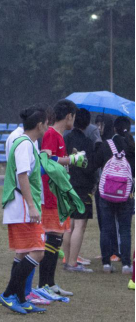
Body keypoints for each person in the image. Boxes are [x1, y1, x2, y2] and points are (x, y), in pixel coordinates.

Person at [0, 105, 50, 315]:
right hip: (22, 207)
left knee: (22, 253)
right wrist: (31, 206)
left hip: (21, 206)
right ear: (39, 125)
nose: (47, 127)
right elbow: (22, 175)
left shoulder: (27, 143)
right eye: (46, 123)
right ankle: (8, 294)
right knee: (38, 251)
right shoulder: (24, 144)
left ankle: (19, 298)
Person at [35, 99, 87, 301]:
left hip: (59, 196)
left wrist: (71, 160)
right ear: (69, 116)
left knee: (56, 241)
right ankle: (43, 285)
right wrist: (72, 160)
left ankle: (51, 284)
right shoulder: (51, 134)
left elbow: (58, 163)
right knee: (52, 239)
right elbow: (47, 161)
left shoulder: (59, 136)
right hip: (51, 196)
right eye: (74, 116)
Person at [94, 116, 135, 275]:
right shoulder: (131, 146)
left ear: (114, 129)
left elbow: (94, 164)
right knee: (125, 229)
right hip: (126, 194)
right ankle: (126, 265)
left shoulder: (107, 145)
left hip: (106, 193)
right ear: (129, 129)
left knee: (106, 228)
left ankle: (106, 263)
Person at [63, 109, 97, 273]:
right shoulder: (88, 143)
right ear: (88, 123)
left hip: (67, 185)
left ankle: (67, 259)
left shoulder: (65, 139)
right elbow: (90, 167)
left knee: (69, 224)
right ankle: (72, 263)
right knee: (79, 225)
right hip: (82, 187)